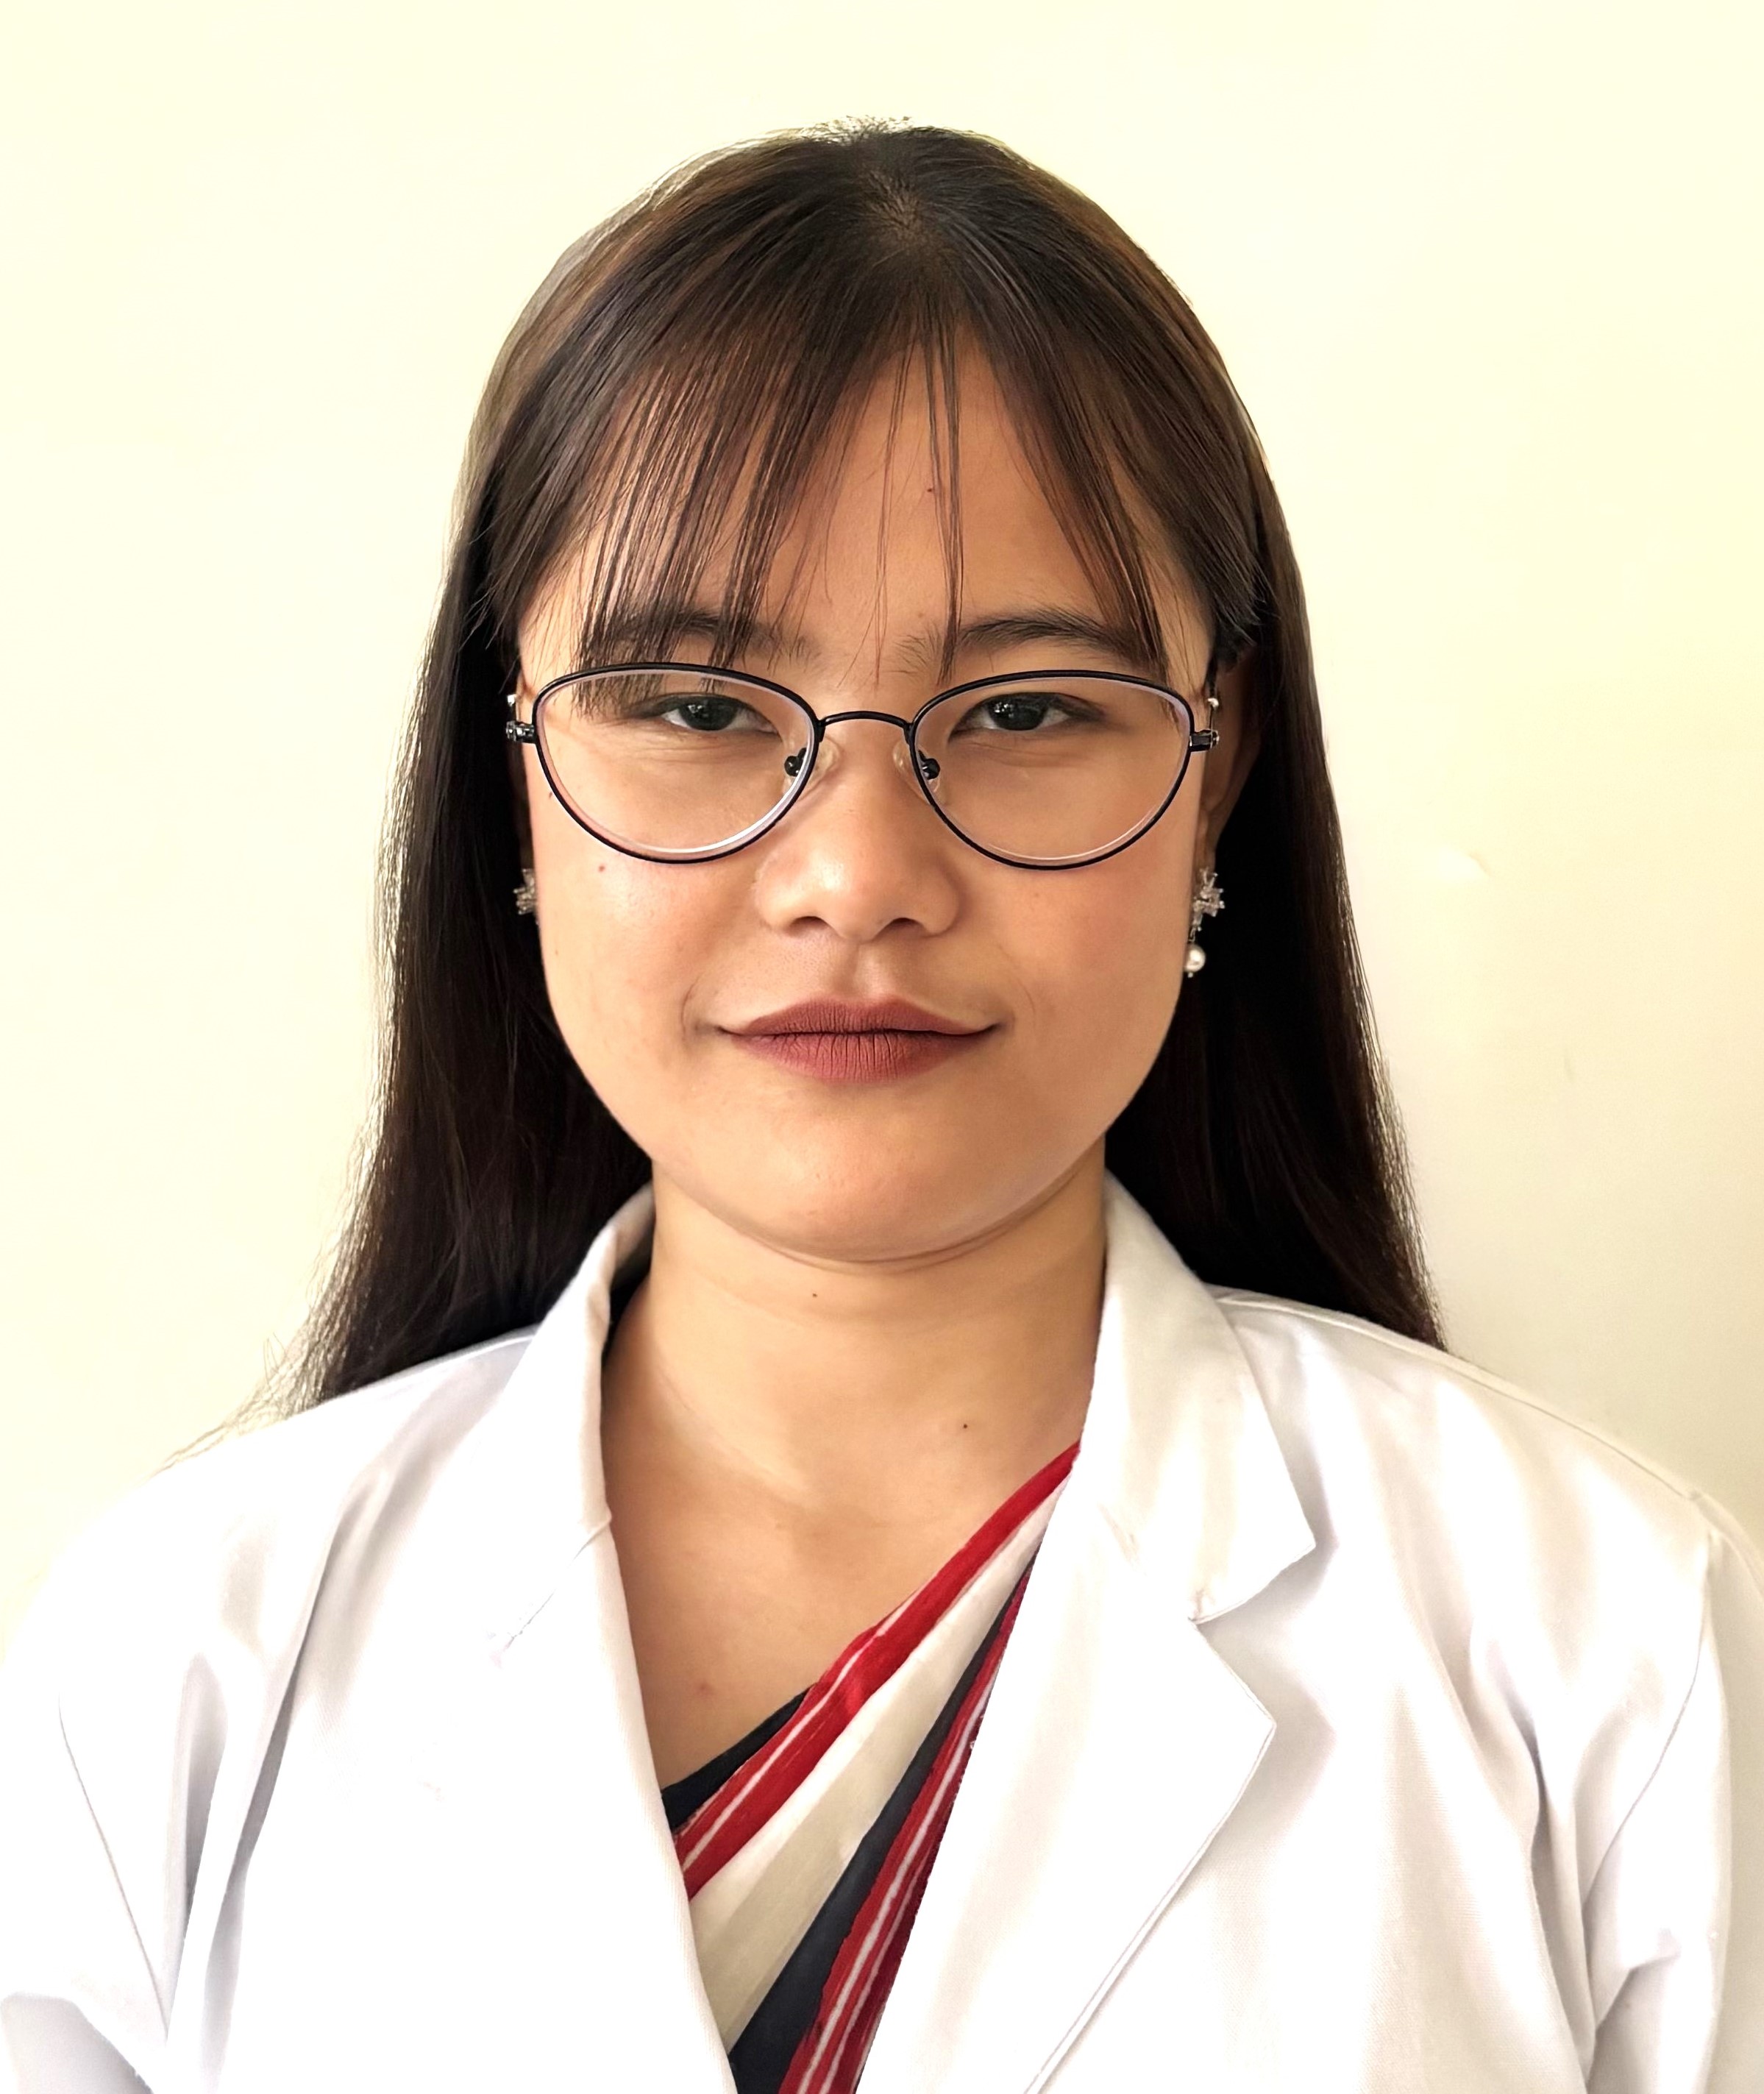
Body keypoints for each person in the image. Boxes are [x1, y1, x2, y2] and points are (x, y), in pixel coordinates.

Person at [1, 120, 1758, 2094]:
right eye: (692, 707)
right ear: (508, 778)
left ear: (1219, 776)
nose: (856, 876)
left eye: (1025, 713)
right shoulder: (177, 1665)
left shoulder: (1602, 1645)